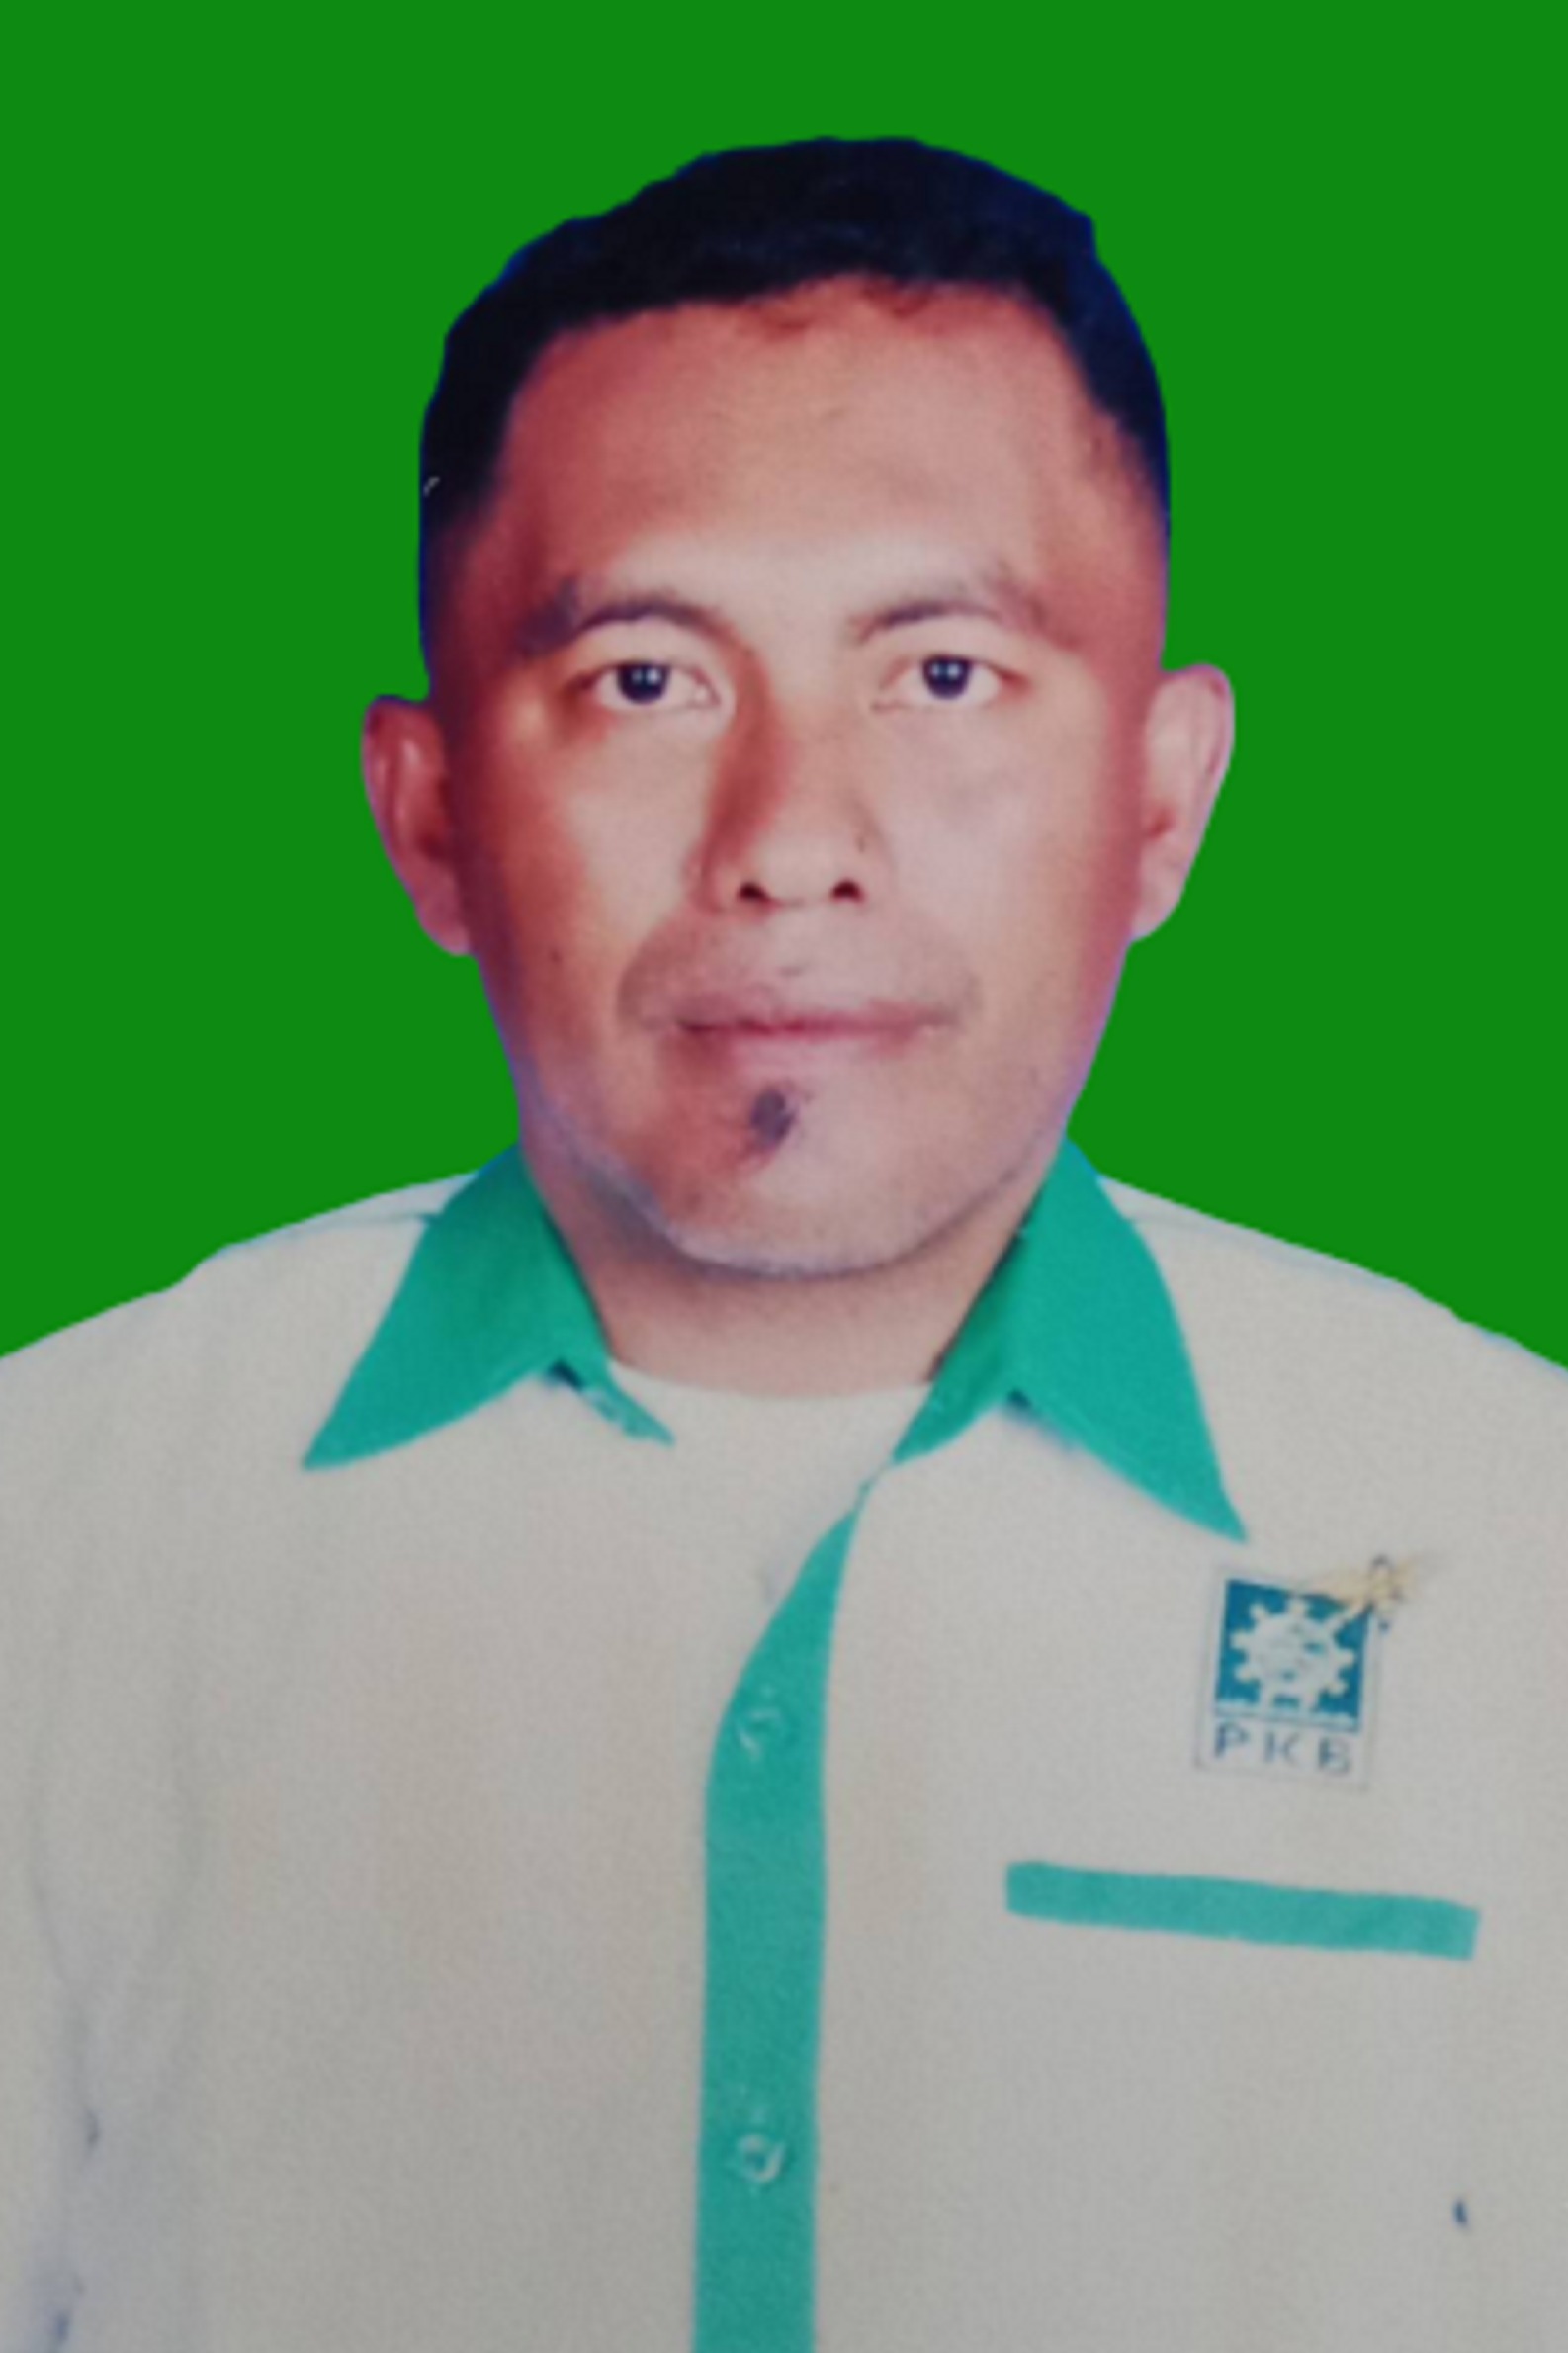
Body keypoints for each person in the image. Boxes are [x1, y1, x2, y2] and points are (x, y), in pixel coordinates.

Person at [1, 136, 1563, 2353]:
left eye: (944, 674)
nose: (792, 844)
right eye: (647, 680)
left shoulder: (1515, 1540)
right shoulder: (56, 1537)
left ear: (1160, 797)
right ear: (431, 815)